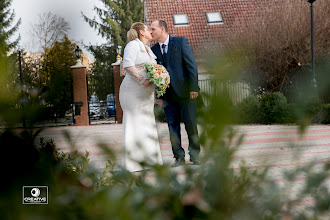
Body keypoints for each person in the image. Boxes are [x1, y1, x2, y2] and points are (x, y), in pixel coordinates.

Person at [150, 20, 201, 167]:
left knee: (191, 124)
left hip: (186, 92)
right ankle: (178, 157)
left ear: (162, 29)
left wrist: (194, 88)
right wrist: (159, 96)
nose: (151, 32)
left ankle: (195, 155)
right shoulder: (153, 51)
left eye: (153, 29)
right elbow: (155, 75)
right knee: (172, 127)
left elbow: (192, 66)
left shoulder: (180, 42)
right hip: (168, 95)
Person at [119, 22, 163, 172]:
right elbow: (127, 65)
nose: (151, 31)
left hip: (146, 94)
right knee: (134, 123)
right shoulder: (133, 45)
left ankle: (150, 161)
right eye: (148, 29)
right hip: (132, 92)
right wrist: (142, 80)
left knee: (147, 123)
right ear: (141, 33)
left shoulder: (148, 49)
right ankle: (132, 164)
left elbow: (152, 69)